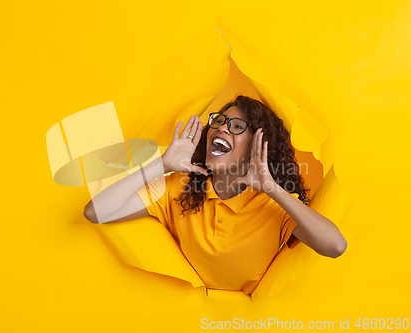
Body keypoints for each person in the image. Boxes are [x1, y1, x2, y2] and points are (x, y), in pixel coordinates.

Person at [84, 95, 347, 294]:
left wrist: (271, 187)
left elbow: (335, 246)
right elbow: (95, 212)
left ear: (258, 145)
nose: (221, 128)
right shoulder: (179, 187)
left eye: (236, 126)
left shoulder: (274, 204)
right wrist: (161, 165)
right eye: (219, 121)